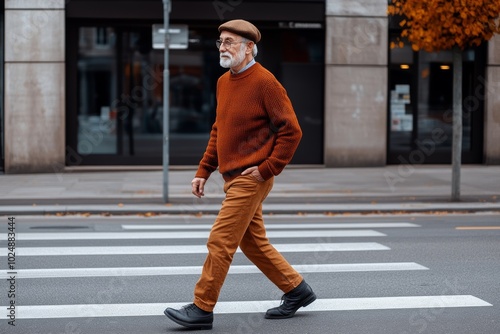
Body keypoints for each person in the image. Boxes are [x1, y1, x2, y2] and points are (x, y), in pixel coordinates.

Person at [164, 19, 316, 330]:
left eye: (230, 42)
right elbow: (219, 130)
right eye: (220, 41)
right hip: (231, 176)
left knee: (220, 240)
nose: (222, 47)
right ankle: (297, 290)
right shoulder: (223, 82)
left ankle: (202, 308)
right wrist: (204, 170)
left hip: (252, 177)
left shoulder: (266, 83)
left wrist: (266, 169)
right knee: (253, 243)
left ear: (249, 48)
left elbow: (292, 131)